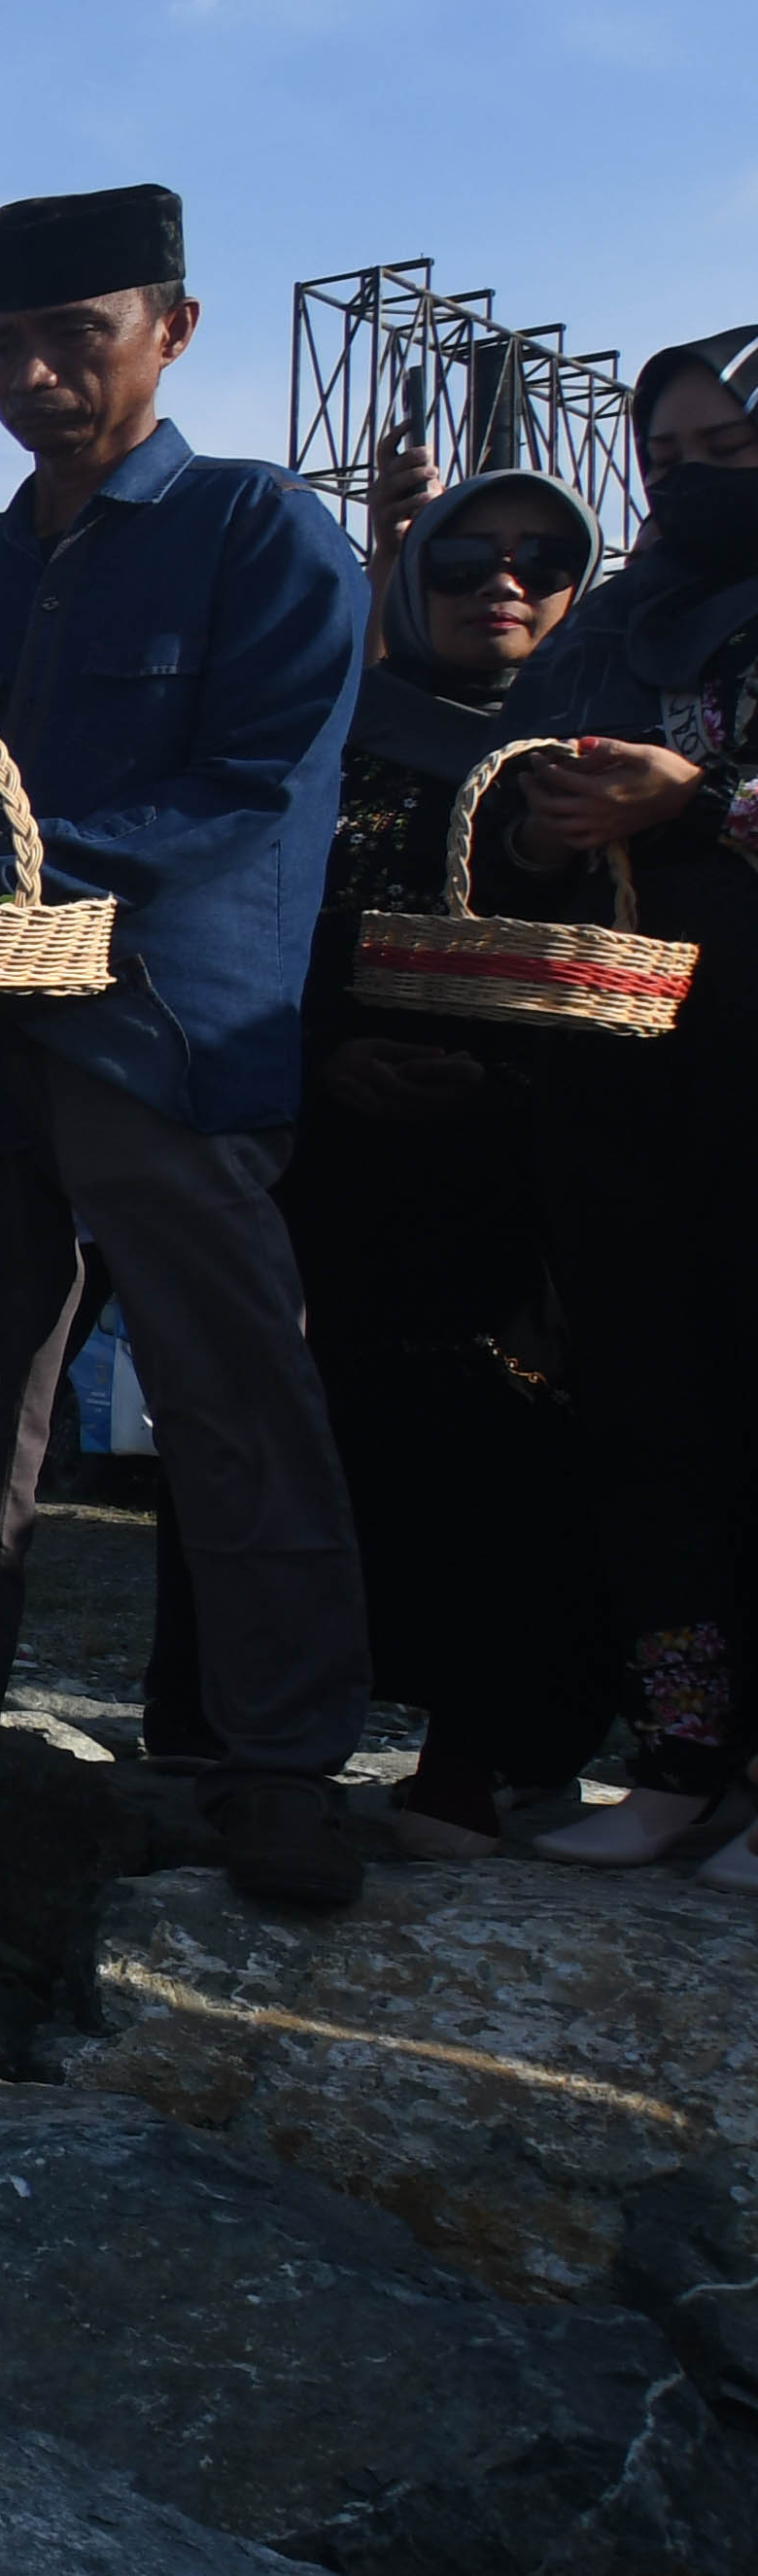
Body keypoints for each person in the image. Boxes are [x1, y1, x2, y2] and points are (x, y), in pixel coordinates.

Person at [0, 187, 372, 1919]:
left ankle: (281, 1765)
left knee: (229, 1386)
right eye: (3, 345)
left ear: (171, 332)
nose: (34, 375)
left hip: (166, 1026)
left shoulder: (261, 531)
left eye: (74, 337)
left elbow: (256, 786)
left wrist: (7, 873)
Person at [239, 465, 608, 1853]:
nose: (500, 585)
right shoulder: (331, 736)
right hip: (342, 1139)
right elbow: (269, 918)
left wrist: (505, 1081)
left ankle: (489, 1755)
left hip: (537, 1155)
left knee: (518, 1447)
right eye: (462, 561)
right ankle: (272, 1733)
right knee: (318, 1426)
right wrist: (333, 1052)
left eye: (540, 561)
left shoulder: (603, 756)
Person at [481, 324, 758, 1886]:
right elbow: (509, 825)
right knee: (650, 1407)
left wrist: (702, 797)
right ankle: (682, 1760)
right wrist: (550, 829)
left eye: (730, 454)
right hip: (623, 1064)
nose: (693, 485)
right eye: (667, 461)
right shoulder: (616, 627)